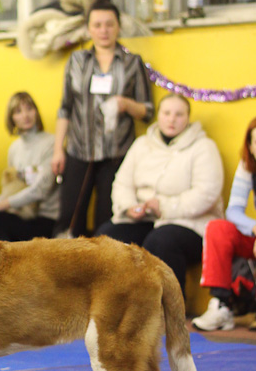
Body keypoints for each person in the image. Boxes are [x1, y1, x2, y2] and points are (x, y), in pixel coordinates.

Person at [95, 93, 224, 297]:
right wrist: (129, 207)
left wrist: (164, 206)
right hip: (144, 219)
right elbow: (122, 183)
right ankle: (112, 305)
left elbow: (206, 193)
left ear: (188, 118)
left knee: (161, 241)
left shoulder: (204, 147)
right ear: (159, 115)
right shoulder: (142, 144)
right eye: (167, 113)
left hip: (189, 223)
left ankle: (169, 309)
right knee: (108, 236)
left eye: (179, 114)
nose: (172, 119)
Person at [51, 0, 153, 238]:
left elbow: (148, 111)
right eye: (97, 25)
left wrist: (126, 104)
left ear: (118, 27)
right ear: (89, 29)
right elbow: (65, 108)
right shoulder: (77, 61)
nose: (103, 30)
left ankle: (102, 262)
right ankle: (65, 261)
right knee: (69, 218)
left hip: (116, 154)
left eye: (109, 24)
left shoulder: (132, 62)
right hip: (79, 150)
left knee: (107, 221)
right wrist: (58, 150)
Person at [193, 117, 256, 331]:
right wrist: (254, 227)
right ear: (250, 146)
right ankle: (221, 305)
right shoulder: (247, 167)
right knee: (218, 228)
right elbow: (234, 211)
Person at [0, 91, 58, 240]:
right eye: (18, 111)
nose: (25, 115)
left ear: (36, 112)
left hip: (45, 218)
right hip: (21, 214)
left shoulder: (51, 143)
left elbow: (40, 190)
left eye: (29, 109)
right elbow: (12, 188)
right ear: (12, 118)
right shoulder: (14, 149)